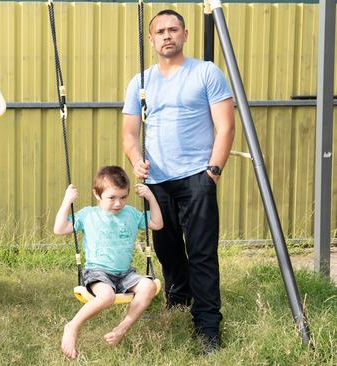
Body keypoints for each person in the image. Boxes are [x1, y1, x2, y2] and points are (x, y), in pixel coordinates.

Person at [121, 9, 235, 353]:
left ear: (185, 34)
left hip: (197, 178)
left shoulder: (206, 73)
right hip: (156, 181)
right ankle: (179, 302)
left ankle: (207, 328)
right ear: (151, 39)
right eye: (160, 31)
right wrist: (135, 160)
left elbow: (226, 127)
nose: (167, 35)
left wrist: (212, 173)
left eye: (173, 29)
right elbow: (129, 132)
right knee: (167, 251)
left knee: (201, 253)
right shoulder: (140, 81)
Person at [54, 166, 163, 359]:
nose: (118, 203)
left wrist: (151, 198)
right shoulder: (88, 215)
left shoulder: (130, 213)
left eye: (123, 197)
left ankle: (122, 328)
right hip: (98, 273)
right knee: (107, 296)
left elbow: (156, 223)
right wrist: (66, 202)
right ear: (97, 194)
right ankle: (72, 326)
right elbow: (59, 229)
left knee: (149, 286)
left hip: (125, 274)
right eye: (111, 198)